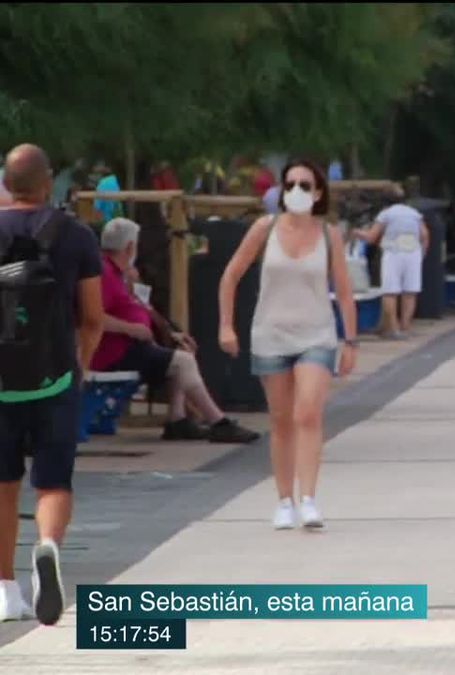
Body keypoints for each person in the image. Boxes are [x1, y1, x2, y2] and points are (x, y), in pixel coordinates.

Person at [218, 159, 359, 530]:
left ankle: (309, 498)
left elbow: (344, 291)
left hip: (317, 334)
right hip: (271, 334)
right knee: (281, 421)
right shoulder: (264, 229)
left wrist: (350, 340)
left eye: (305, 184)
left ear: (318, 192)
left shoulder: (329, 235)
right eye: (290, 183)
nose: (297, 191)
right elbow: (230, 276)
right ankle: (284, 500)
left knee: (307, 413)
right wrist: (226, 326)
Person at [0, 144, 104, 625]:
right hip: (55, 376)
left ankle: (5, 592)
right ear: (47, 183)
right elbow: (94, 317)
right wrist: (78, 363)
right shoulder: (75, 235)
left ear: (7, 182)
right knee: (53, 481)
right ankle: (46, 548)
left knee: (2, 485)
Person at [91, 218, 260, 443]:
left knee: (181, 352)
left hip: (132, 345)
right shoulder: (104, 274)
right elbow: (93, 316)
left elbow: (140, 307)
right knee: (182, 362)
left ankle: (177, 419)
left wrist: (169, 332)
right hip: (115, 351)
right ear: (130, 247)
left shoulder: (121, 274)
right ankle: (218, 421)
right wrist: (130, 328)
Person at [354, 186, 429, 340]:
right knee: (410, 292)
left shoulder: (386, 214)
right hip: (413, 252)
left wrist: (356, 232)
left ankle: (393, 329)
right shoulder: (413, 213)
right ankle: (405, 327)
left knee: (390, 292)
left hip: (394, 252)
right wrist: (421, 254)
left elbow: (371, 237)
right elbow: (425, 235)